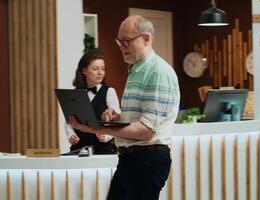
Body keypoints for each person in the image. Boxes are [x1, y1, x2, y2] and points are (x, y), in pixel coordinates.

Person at [69, 15, 180, 200]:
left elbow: (146, 131)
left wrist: (98, 128)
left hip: (147, 160)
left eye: (126, 41)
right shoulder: (136, 70)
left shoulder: (159, 72)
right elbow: (138, 121)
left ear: (146, 39)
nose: (121, 46)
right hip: (131, 158)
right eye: (119, 41)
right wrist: (117, 117)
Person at [65, 49, 120, 154]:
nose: (100, 73)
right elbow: (68, 120)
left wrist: (106, 135)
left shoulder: (109, 91)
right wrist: (71, 134)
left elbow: (116, 121)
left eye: (103, 69)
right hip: (79, 150)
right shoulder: (75, 93)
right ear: (84, 70)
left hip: (103, 150)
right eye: (95, 69)